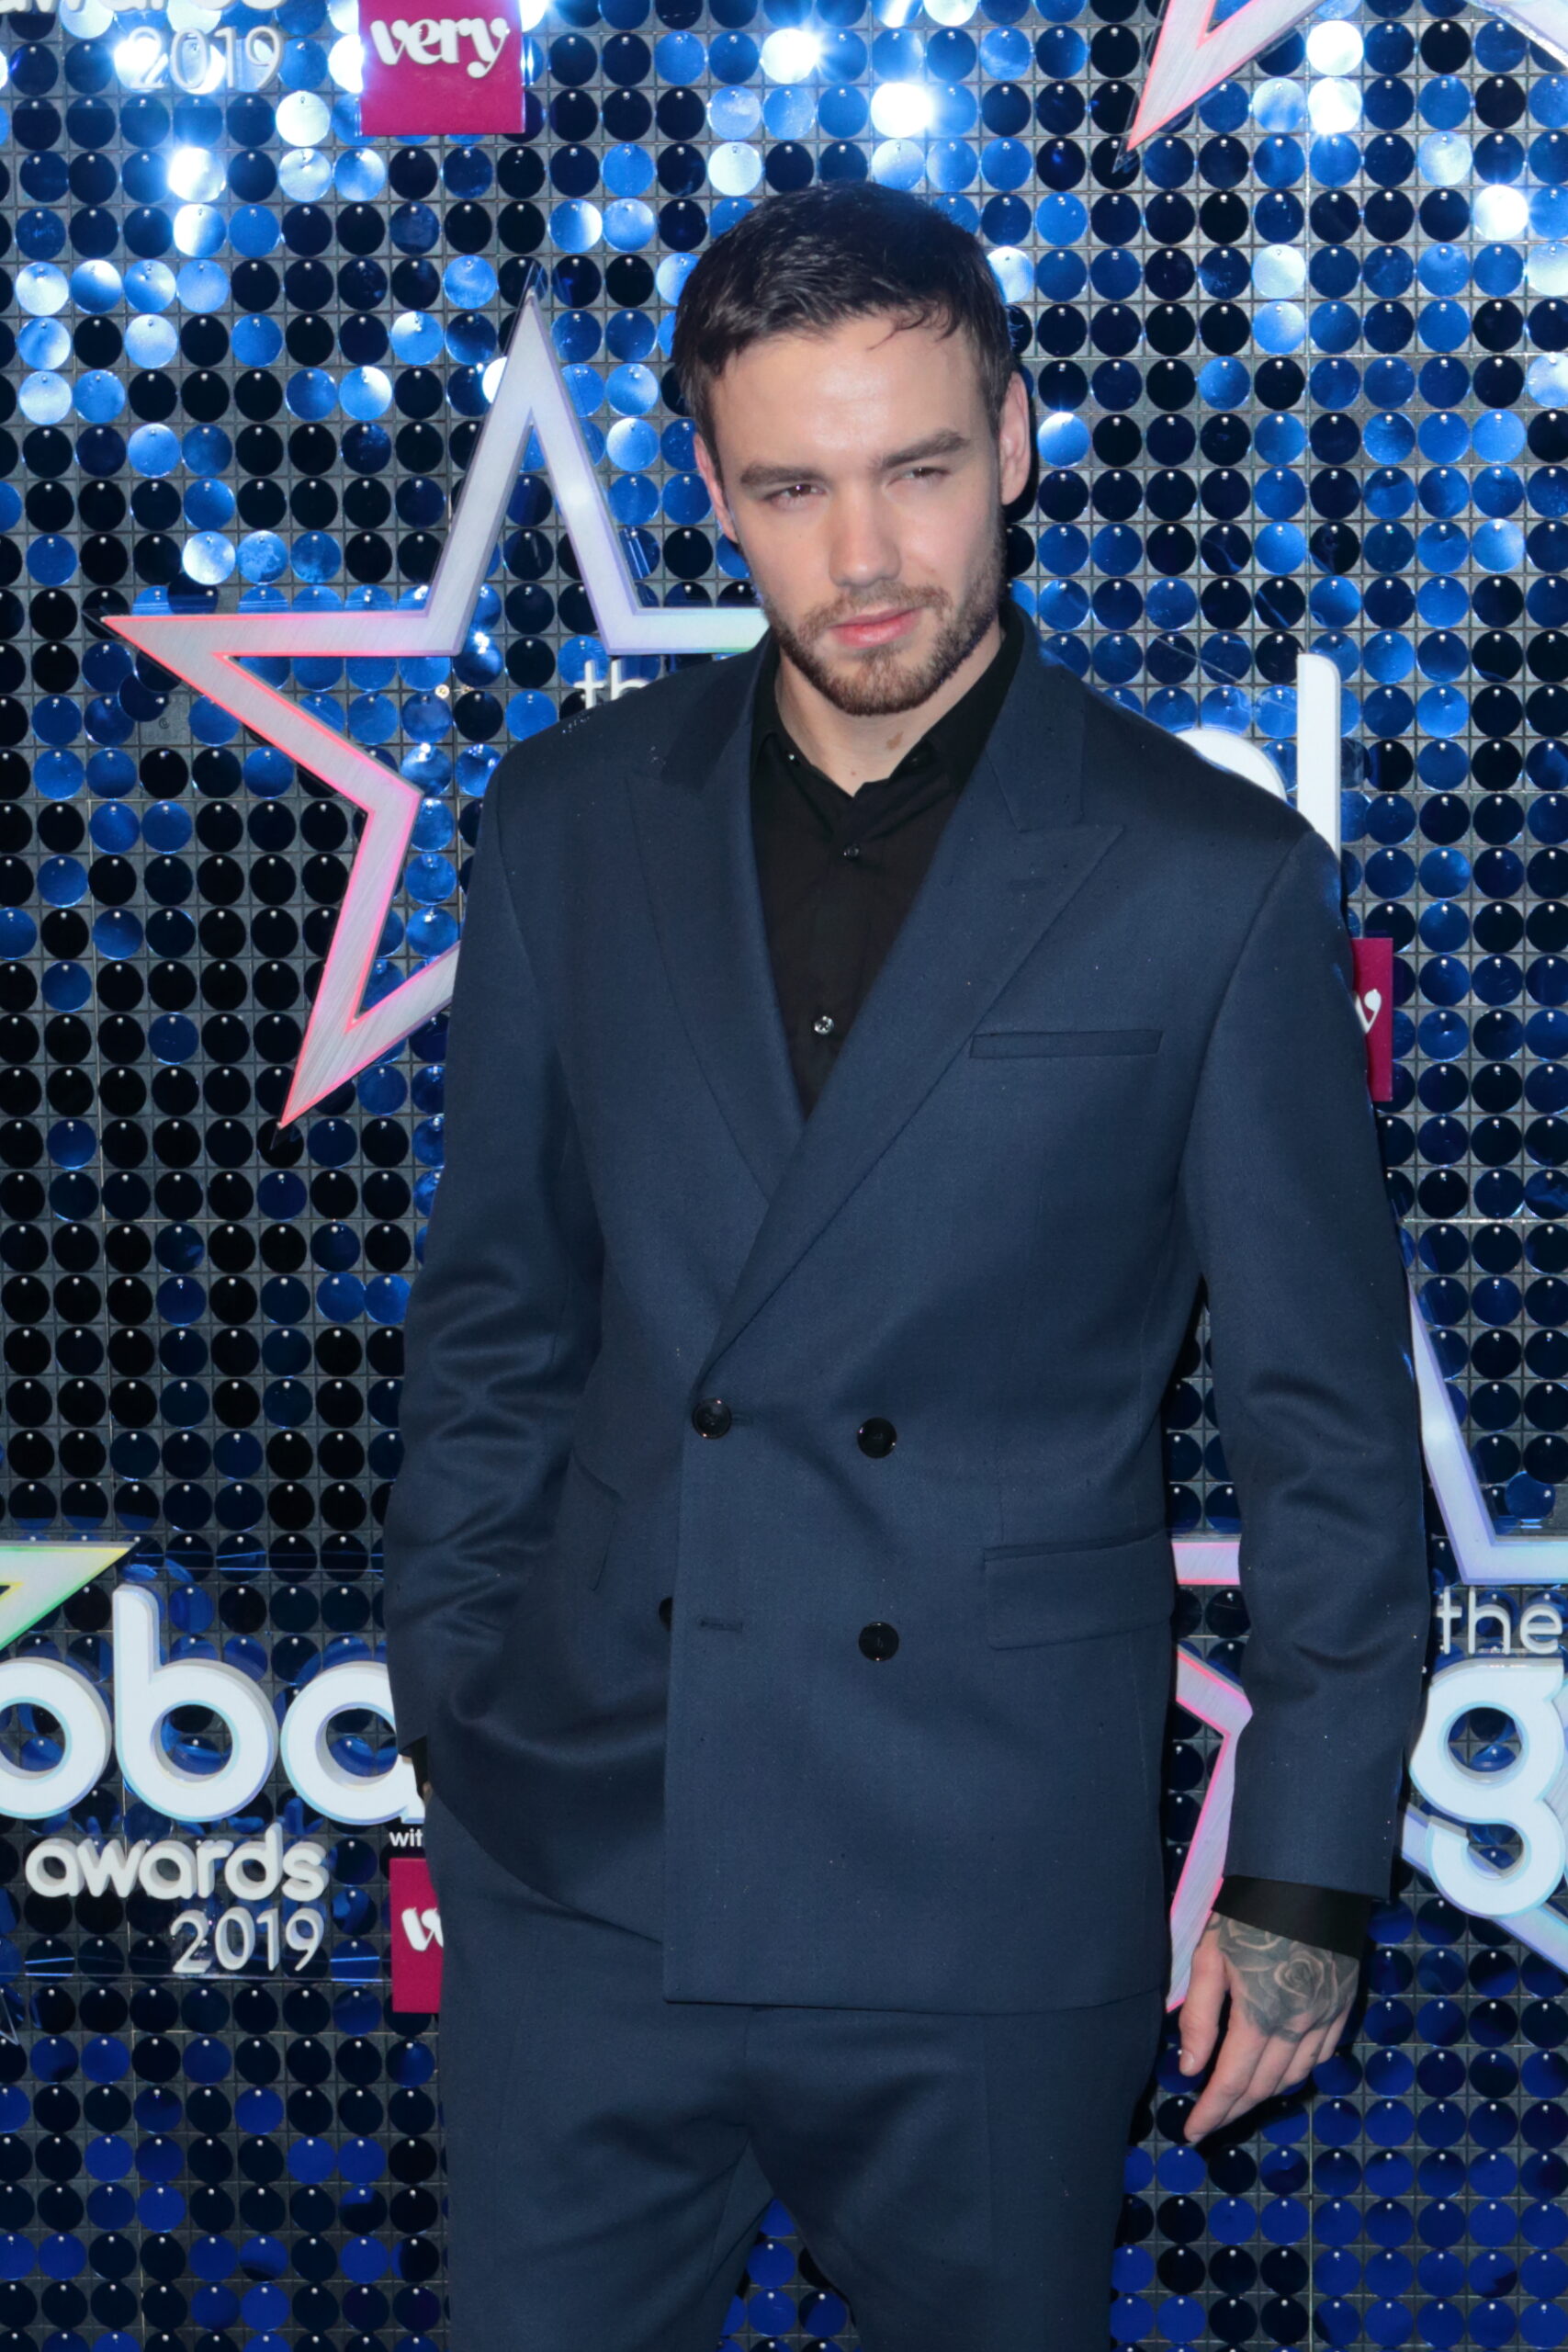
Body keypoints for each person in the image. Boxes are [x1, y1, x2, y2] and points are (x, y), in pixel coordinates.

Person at [382, 181, 1430, 2352]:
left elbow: (1324, 1431)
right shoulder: (566, 824)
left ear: (1019, 439)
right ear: (708, 492)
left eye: (916, 469)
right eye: (791, 486)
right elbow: (498, 1314)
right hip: (591, 1860)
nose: (863, 558)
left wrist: (1302, 1879)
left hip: (979, 1876)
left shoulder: (1206, 879)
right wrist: (463, 1680)